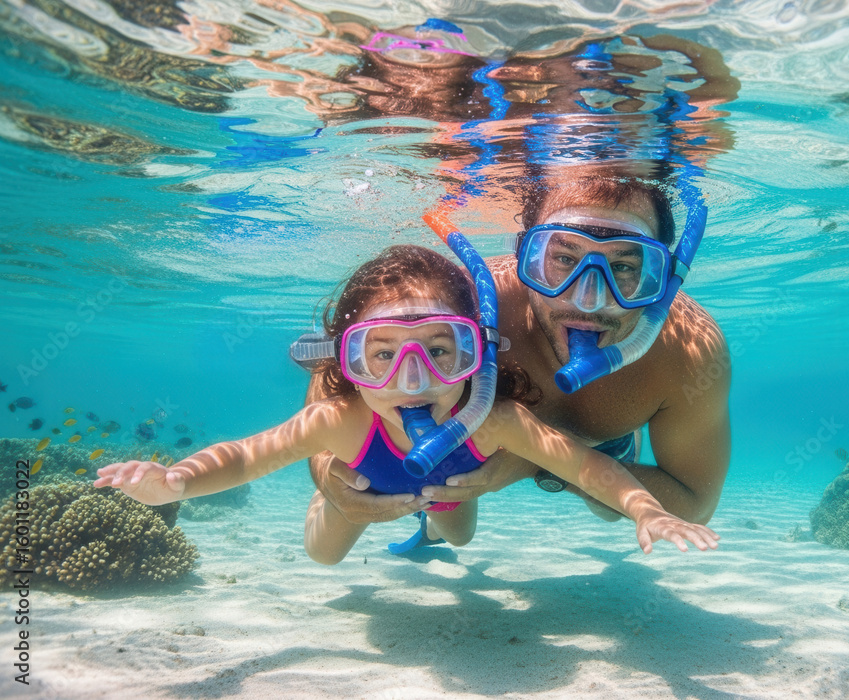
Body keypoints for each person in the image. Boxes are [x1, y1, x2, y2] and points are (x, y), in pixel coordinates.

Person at [95, 245, 719, 563]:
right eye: (381, 354)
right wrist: (176, 480)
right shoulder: (340, 419)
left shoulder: (496, 418)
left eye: (441, 353)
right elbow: (246, 457)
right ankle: (348, 503)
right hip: (363, 481)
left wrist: (642, 509)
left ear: (480, 353)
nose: (412, 380)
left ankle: (427, 529)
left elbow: (584, 465)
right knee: (324, 554)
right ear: (346, 362)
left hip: (452, 488)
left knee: (461, 538)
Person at [307, 173, 731, 530]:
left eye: (623, 266)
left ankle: (616, 445)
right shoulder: (468, 301)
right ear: (526, 259)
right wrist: (325, 473)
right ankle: (435, 530)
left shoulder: (689, 354)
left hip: (600, 442)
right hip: (466, 447)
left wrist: (535, 465)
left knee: (609, 508)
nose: (587, 300)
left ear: (661, 279)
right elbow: (344, 367)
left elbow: (694, 505)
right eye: (563, 258)